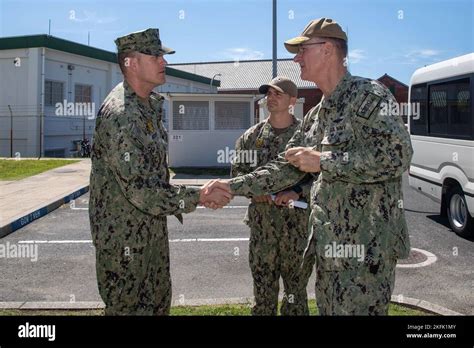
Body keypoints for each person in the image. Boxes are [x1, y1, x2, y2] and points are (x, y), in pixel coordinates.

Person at [206, 18, 413, 315]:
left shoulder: (369, 96)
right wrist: (231, 186)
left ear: (328, 50)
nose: (296, 58)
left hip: (366, 251)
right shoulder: (317, 115)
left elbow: (397, 156)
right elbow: (284, 167)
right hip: (329, 251)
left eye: (303, 50)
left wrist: (324, 161)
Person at [89, 28, 231, 315]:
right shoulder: (122, 115)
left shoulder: (147, 106)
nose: (163, 62)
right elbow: (142, 192)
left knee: (156, 306)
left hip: (150, 233)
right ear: (131, 62)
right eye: (155, 55)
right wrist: (199, 196)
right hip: (124, 243)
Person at [231, 76, 313, 315]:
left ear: (292, 100)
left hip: (296, 228)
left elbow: (319, 177)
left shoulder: (305, 137)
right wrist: (255, 194)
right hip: (262, 227)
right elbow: (238, 173)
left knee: (295, 295)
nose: (271, 98)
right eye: (269, 94)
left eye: (278, 94)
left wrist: (296, 191)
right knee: (263, 294)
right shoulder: (251, 137)